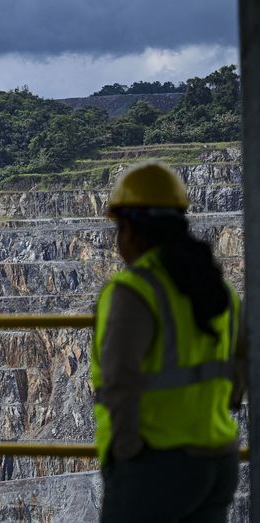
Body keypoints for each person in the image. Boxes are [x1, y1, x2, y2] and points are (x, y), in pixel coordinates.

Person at [91, 161, 245, 522]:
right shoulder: (218, 288)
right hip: (218, 458)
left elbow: (119, 380)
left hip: (157, 463)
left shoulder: (134, 291)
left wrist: (126, 453)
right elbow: (240, 366)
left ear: (130, 228)